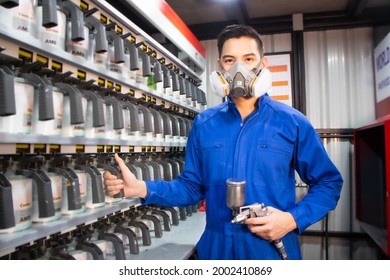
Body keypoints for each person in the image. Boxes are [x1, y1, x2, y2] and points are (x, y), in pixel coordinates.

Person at [103, 24, 343, 260]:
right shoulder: (205, 124)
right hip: (217, 248)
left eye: (249, 59)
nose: (239, 68)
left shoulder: (292, 122)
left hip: (269, 246)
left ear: (263, 64)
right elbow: (191, 188)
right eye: (230, 60)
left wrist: (291, 220)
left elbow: (328, 183)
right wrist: (143, 189)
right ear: (220, 67)